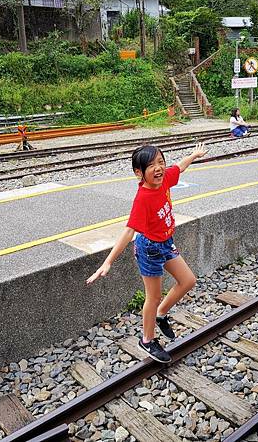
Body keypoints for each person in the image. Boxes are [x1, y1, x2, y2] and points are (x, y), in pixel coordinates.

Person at [86, 143, 207, 363]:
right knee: (153, 296)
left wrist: (193, 155)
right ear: (139, 173)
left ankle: (160, 314)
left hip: (165, 242)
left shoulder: (164, 179)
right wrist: (108, 262)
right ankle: (147, 340)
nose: (159, 168)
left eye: (161, 162)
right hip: (149, 248)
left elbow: (179, 167)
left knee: (188, 280)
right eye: (151, 165)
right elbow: (129, 230)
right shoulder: (143, 198)